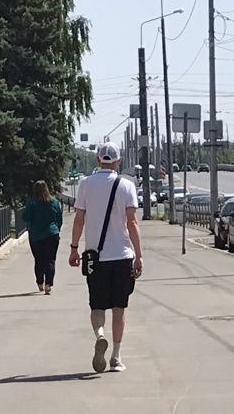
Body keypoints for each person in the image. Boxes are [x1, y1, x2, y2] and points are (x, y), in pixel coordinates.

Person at [68, 142, 143, 373]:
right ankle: (116, 357)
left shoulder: (85, 184)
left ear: (98, 160)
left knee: (97, 305)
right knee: (119, 308)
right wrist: (139, 256)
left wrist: (74, 248)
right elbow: (132, 222)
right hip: (122, 256)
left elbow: (79, 219)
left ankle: (100, 334)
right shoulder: (127, 185)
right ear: (118, 161)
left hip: (96, 257)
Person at [22, 180, 63, 294]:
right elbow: (59, 218)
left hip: (36, 235)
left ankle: (40, 282)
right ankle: (48, 284)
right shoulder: (54, 202)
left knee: (39, 260)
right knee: (50, 260)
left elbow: (25, 217)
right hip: (52, 234)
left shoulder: (32, 203)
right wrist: (57, 229)